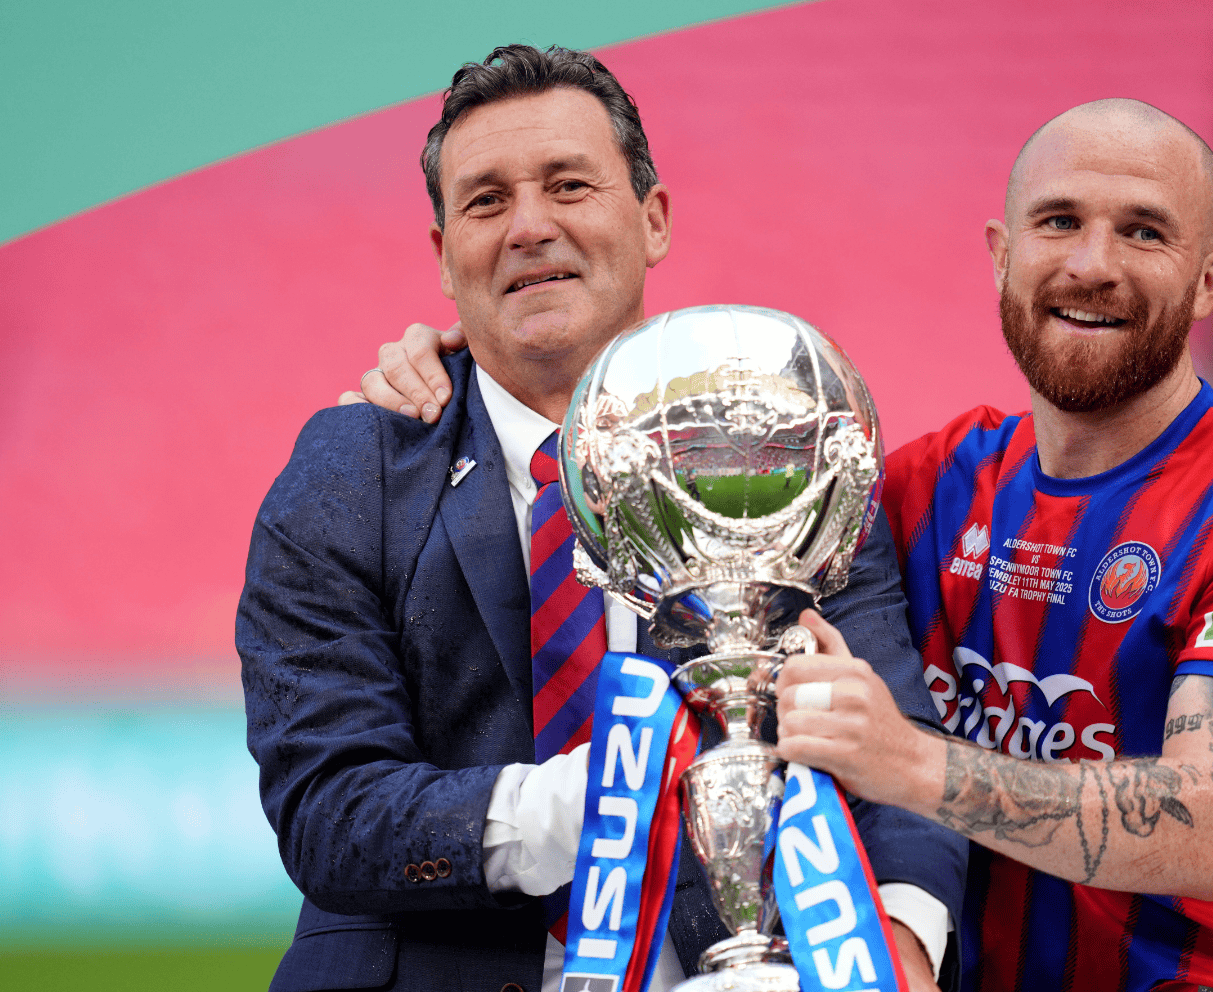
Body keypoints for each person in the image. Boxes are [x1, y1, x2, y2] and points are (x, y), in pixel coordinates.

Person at [357, 97, 1213, 991]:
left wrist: (910, 762)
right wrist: (478, 369)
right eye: (1059, 221)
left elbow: (1206, 827)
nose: (1091, 264)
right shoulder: (923, 486)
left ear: (1210, 280)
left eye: (1144, 232)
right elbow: (697, 488)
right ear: (1002, 253)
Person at [241, 44, 965, 992]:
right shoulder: (349, 472)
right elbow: (329, 811)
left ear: (653, 219)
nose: (529, 227)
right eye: (486, 202)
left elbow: (900, 751)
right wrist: (603, 800)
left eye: (569, 185)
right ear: (444, 256)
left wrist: (899, 949)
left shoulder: (786, 452)